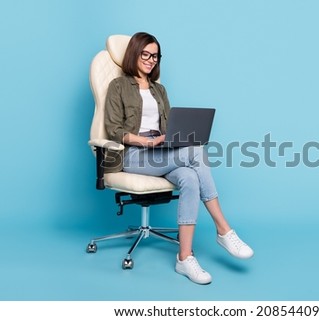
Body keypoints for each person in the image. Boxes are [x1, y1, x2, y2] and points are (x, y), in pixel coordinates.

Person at [104, 32, 253, 284]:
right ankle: (223, 229)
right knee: (196, 152)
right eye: (146, 54)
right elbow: (114, 130)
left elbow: (169, 126)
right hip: (134, 155)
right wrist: (148, 141)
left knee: (189, 176)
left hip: (160, 152)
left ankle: (184, 258)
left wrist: (173, 138)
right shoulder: (118, 86)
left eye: (156, 56)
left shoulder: (159, 90)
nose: (152, 60)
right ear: (135, 53)